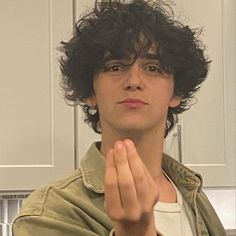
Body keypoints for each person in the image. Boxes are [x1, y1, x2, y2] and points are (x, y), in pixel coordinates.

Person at [12, 0, 226, 235]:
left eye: (153, 68)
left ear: (176, 93)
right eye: (115, 67)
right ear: (90, 92)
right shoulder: (51, 212)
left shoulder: (192, 193)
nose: (134, 81)